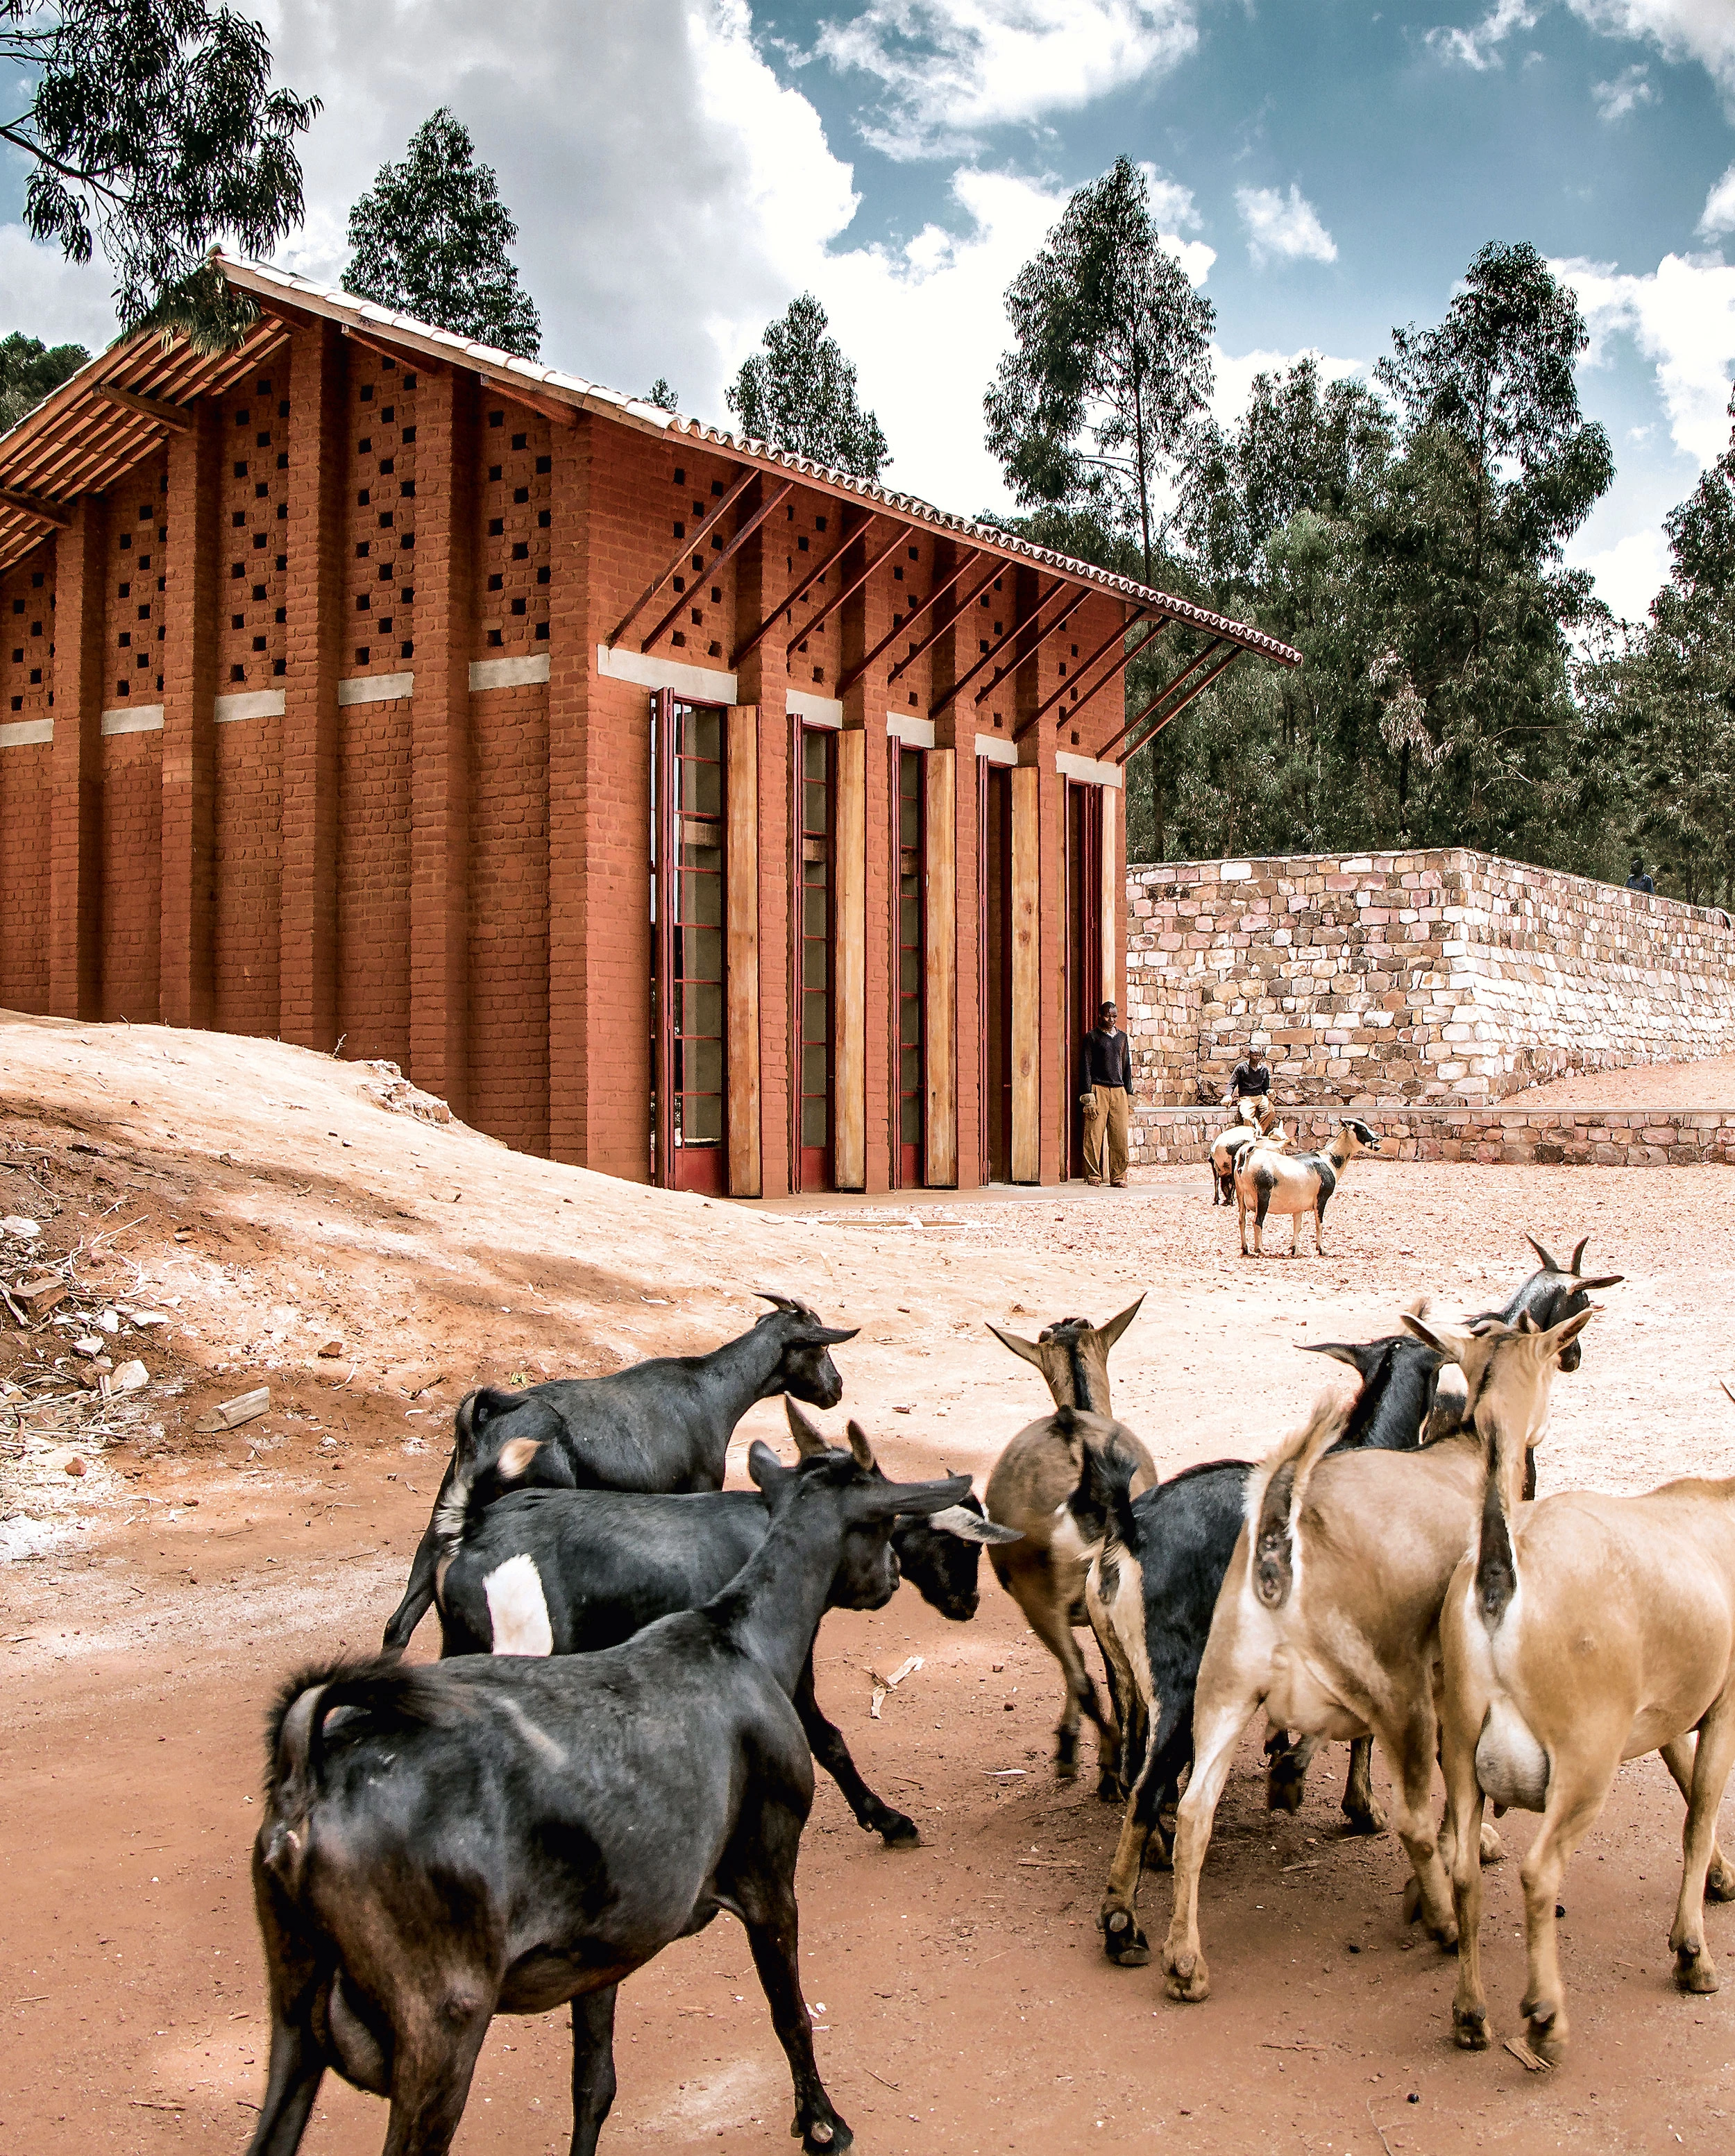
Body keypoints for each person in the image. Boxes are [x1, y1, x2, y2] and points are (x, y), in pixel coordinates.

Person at [1078, 999, 1133, 1188]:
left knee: (1120, 1136)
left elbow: (1126, 1066)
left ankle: (1118, 1176)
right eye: (1108, 1016)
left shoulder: (1122, 1038)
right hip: (1098, 1089)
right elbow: (1086, 1067)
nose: (1111, 1020)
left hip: (1119, 1090)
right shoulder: (1092, 1037)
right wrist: (1088, 1095)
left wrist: (1129, 1093)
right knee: (1094, 1135)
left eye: (1114, 1016)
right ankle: (1093, 1174)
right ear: (1100, 1016)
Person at [1224, 1042, 1273, 1120]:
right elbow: (1232, 1084)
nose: (1257, 1058)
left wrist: (1269, 1092)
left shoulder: (1264, 1070)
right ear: (1249, 1055)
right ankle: (1251, 1128)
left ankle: (1260, 1128)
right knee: (1247, 1118)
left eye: (1259, 1056)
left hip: (1260, 1097)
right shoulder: (1241, 1068)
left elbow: (1266, 1088)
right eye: (1255, 1055)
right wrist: (1228, 1095)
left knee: (1271, 1112)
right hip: (1246, 1098)